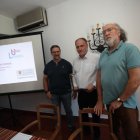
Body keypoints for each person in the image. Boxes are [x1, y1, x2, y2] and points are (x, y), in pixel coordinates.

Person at [94, 23, 140, 140]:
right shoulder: (103, 54)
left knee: (131, 136)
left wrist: (120, 100)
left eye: (109, 30)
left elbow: (136, 80)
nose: (106, 33)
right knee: (114, 134)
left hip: (125, 104)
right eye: (104, 32)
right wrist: (100, 100)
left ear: (119, 32)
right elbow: (99, 78)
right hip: (109, 104)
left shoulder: (130, 49)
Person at [73, 38, 100, 140]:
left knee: (95, 115)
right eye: (77, 47)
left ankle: (97, 134)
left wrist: (93, 84)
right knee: (83, 113)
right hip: (81, 92)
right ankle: (86, 132)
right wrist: (75, 85)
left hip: (93, 92)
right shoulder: (75, 60)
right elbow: (74, 75)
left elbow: (101, 74)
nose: (79, 48)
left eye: (82, 46)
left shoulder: (96, 57)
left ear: (87, 45)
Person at [43, 45, 74, 131]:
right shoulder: (48, 65)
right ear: (51, 53)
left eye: (58, 51)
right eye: (54, 52)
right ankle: (58, 125)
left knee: (68, 110)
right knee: (56, 111)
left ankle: (71, 126)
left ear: (60, 51)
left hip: (66, 93)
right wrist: (46, 91)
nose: (56, 53)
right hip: (54, 94)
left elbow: (72, 78)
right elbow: (45, 79)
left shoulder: (67, 64)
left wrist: (74, 90)